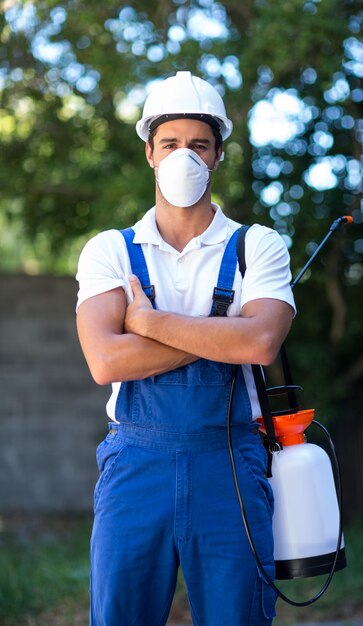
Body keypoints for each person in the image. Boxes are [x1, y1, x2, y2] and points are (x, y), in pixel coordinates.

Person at [76, 70, 295, 626]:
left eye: (198, 145)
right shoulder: (110, 252)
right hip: (135, 465)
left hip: (231, 464)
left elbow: (263, 341)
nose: (184, 157)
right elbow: (106, 361)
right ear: (149, 153)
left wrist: (148, 322)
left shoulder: (257, 245)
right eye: (170, 144)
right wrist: (222, 335)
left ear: (218, 155)